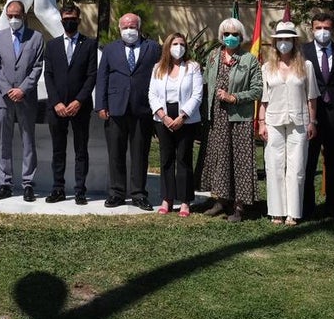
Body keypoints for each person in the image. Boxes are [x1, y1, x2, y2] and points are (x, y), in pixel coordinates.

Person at [197, 17, 262, 222]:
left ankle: (239, 205)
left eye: (235, 34)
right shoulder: (213, 56)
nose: (230, 37)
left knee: (240, 161)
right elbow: (205, 83)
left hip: (239, 118)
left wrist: (234, 97)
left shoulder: (249, 60)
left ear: (241, 37)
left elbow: (257, 90)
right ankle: (221, 200)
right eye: (226, 34)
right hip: (217, 117)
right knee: (220, 159)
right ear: (221, 36)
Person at [95, 13, 161, 211]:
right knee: (116, 153)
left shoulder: (153, 48)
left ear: (139, 28)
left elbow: (160, 76)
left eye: (132, 27)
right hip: (116, 108)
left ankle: (139, 194)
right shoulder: (110, 49)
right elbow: (102, 77)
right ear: (119, 29)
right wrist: (101, 105)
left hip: (143, 108)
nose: (129, 30)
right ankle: (117, 193)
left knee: (140, 153)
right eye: (125, 27)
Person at [258, 21, 318, 225]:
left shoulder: (306, 66)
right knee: (274, 165)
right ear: (275, 43)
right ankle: (277, 211)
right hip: (273, 120)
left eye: (288, 39)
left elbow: (311, 97)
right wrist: (261, 122)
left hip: (299, 121)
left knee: (297, 166)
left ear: (294, 42)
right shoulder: (267, 68)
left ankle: (293, 212)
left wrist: (312, 121)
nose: (284, 43)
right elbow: (264, 98)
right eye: (280, 39)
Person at [0, 0, 45, 201]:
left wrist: (22, 89)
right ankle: (5, 183)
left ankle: (28, 183)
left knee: (28, 140)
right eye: (10, 16)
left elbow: (37, 67)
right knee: (3, 141)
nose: (13, 19)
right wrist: (7, 89)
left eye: (17, 15)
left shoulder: (36, 38)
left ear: (24, 15)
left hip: (26, 98)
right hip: (3, 98)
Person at [43, 4, 98, 204]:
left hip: (80, 107)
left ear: (79, 20)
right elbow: (48, 75)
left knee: (81, 150)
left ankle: (80, 190)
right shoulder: (52, 45)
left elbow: (92, 75)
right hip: (57, 108)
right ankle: (58, 188)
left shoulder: (89, 44)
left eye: (72, 19)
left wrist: (79, 101)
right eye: (66, 19)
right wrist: (56, 102)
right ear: (61, 20)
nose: (69, 22)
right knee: (58, 150)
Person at [300, 12, 334, 219]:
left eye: (327, 28)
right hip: (310, 113)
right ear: (312, 29)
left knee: (333, 162)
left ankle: (333, 206)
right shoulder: (302, 51)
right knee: (308, 162)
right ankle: (307, 207)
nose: (323, 31)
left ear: (333, 30)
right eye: (318, 28)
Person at [148, 32, 203, 217]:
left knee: (183, 158)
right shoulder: (158, 68)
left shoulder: (192, 67)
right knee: (166, 158)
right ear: (167, 47)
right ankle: (167, 198)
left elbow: (197, 94)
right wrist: (163, 116)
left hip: (186, 118)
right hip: (163, 117)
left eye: (182, 44)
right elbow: (152, 94)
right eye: (175, 44)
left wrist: (183, 116)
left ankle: (185, 201)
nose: (178, 47)